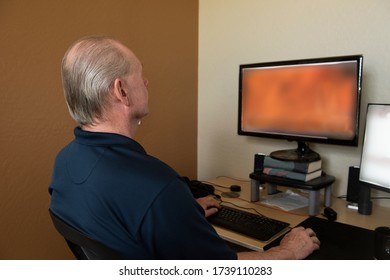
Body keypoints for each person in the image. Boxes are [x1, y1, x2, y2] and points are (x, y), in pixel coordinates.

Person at [49, 36, 320, 260]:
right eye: (140, 75)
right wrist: (288, 251)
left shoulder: (65, 162)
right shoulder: (156, 187)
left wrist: (180, 215)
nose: (146, 83)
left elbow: (120, 224)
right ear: (121, 90)